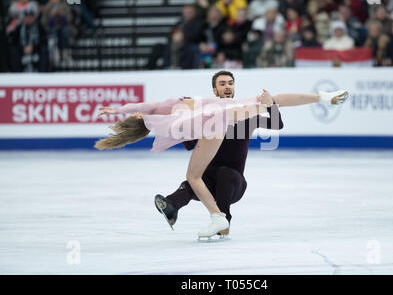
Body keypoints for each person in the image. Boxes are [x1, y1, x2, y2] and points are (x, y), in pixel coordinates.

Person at [96, 71, 349, 238]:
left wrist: (271, 103)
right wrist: (126, 110)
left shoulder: (243, 114)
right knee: (192, 182)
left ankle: (223, 218)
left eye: (230, 83)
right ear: (215, 91)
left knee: (223, 173)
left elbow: (276, 124)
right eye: (222, 84)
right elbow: (168, 123)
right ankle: (173, 206)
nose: (227, 87)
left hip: (234, 184)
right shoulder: (206, 111)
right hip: (209, 182)